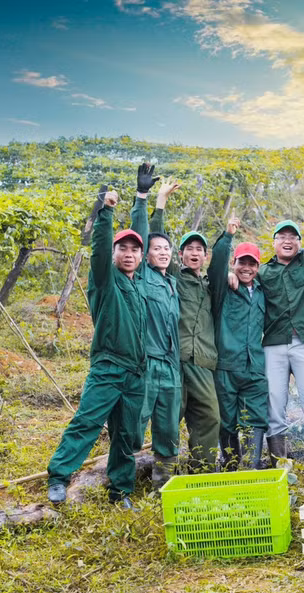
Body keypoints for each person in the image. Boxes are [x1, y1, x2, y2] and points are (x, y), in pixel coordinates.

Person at [47, 186, 147, 508]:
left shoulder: (140, 284)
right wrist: (106, 212)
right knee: (87, 423)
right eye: (123, 249)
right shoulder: (106, 279)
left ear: (141, 256)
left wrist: (142, 199)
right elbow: (100, 251)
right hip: (108, 367)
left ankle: (121, 491)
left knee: (126, 435)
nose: (129, 254)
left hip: (136, 374)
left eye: (135, 249)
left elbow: (142, 234)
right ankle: (59, 477)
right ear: (115, 254)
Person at [257, 173, 304, 482]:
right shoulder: (264, 271)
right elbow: (243, 281)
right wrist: (233, 274)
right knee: (274, 405)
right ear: (274, 242)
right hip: (273, 345)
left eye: (293, 237)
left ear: (299, 243)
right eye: (282, 237)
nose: (287, 240)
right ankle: (281, 466)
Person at [149, 184, 221, 473]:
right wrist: (160, 203)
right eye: (189, 248)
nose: (194, 253)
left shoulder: (211, 285)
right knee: (169, 416)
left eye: (199, 249)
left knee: (210, 416)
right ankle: (163, 473)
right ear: (180, 254)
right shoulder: (172, 276)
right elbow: (154, 241)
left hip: (202, 361)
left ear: (205, 256)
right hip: (174, 359)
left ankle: (202, 470)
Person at [129, 164, 181, 488]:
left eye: (166, 249)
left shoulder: (172, 283)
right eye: (156, 249)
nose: (161, 252)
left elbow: (157, 240)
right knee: (134, 424)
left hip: (171, 367)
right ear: (145, 256)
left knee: (169, 428)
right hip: (147, 363)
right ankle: (121, 482)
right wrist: (147, 198)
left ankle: (164, 485)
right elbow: (142, 234)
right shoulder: (142, 276)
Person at [211, 216, 268, 470]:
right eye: (241, 263)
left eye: (252, 264)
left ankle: (251, 466)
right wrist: (228, 236)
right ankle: (230, 466)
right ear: (234, 264)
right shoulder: (223, 288)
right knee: (227, 419)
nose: (246, 268)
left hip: (254, 365)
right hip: (226, 365)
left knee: (256, 416)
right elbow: (216, 267)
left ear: (258, 267)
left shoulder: (263, 292)